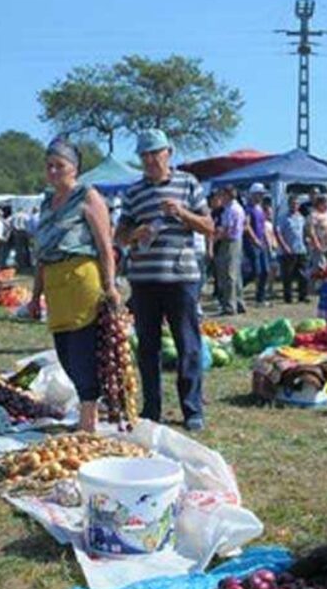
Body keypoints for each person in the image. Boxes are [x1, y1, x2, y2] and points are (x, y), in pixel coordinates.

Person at [115, 128, 214, 431]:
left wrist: (183, 214)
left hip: (181, 278)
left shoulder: (188, 184)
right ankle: (152, 408)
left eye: (154, 153)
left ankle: (192, 409)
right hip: (144, 281)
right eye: (144, 155)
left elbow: (209, 226)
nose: (149, 160)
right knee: (148, 347)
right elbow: (119, 235)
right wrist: (135, 234)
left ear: (168, 153)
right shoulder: (133, 193)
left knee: (188, 344)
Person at [28, 136, 119, 433]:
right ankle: (88, 409)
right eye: (49, 166)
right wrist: (34, 296)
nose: (53, 171)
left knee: (82, 351)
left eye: (60, 166)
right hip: (55, 287)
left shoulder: (87, 197)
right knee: (64, 351)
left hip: (82, 282)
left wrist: (111, 286)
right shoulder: (46, 204)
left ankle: (88, 419)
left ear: (75, 169)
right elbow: (41, 254)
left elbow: (105, 246)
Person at [213, 185, 245, 316]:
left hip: (230, 242)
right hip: (234, 241)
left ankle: (230, 306)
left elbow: (227, 229)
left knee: (229, 274)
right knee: (235, 274)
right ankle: (239, 303)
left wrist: (215, 238)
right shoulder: (231, 208)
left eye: (222, 194)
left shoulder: (232, 209)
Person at [276, 195, 308, 304]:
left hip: (301, 249)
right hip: (288, 250)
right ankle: (288, 297)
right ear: (289, 204)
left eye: (296, 204)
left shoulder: (301, 218)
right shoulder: (283, 218)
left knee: (303, 274)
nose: (295, 206)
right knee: (288, 275)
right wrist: (284, 246)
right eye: (293, 203)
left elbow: (304, 232)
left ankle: (302, 296)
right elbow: (278, 233)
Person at [244, 183, 270, 305]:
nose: (261, 196)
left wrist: (267, 241)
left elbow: (263, 226)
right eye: (259, 194)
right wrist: (255, 239)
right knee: (255, 271)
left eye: (262, 194)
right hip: (252, 243)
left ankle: (261, 298)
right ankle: (238, 288)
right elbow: (247, 225)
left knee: (265, 271)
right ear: (253, 194)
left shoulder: (260, 208)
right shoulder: (248, 208)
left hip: (262, 242)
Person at [309, 193, 327, 271]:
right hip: (320, 247)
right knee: (319, 269)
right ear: (320, 204)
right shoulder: (314, 215)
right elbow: (311, 231)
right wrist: (316, 243)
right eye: (326, 203)